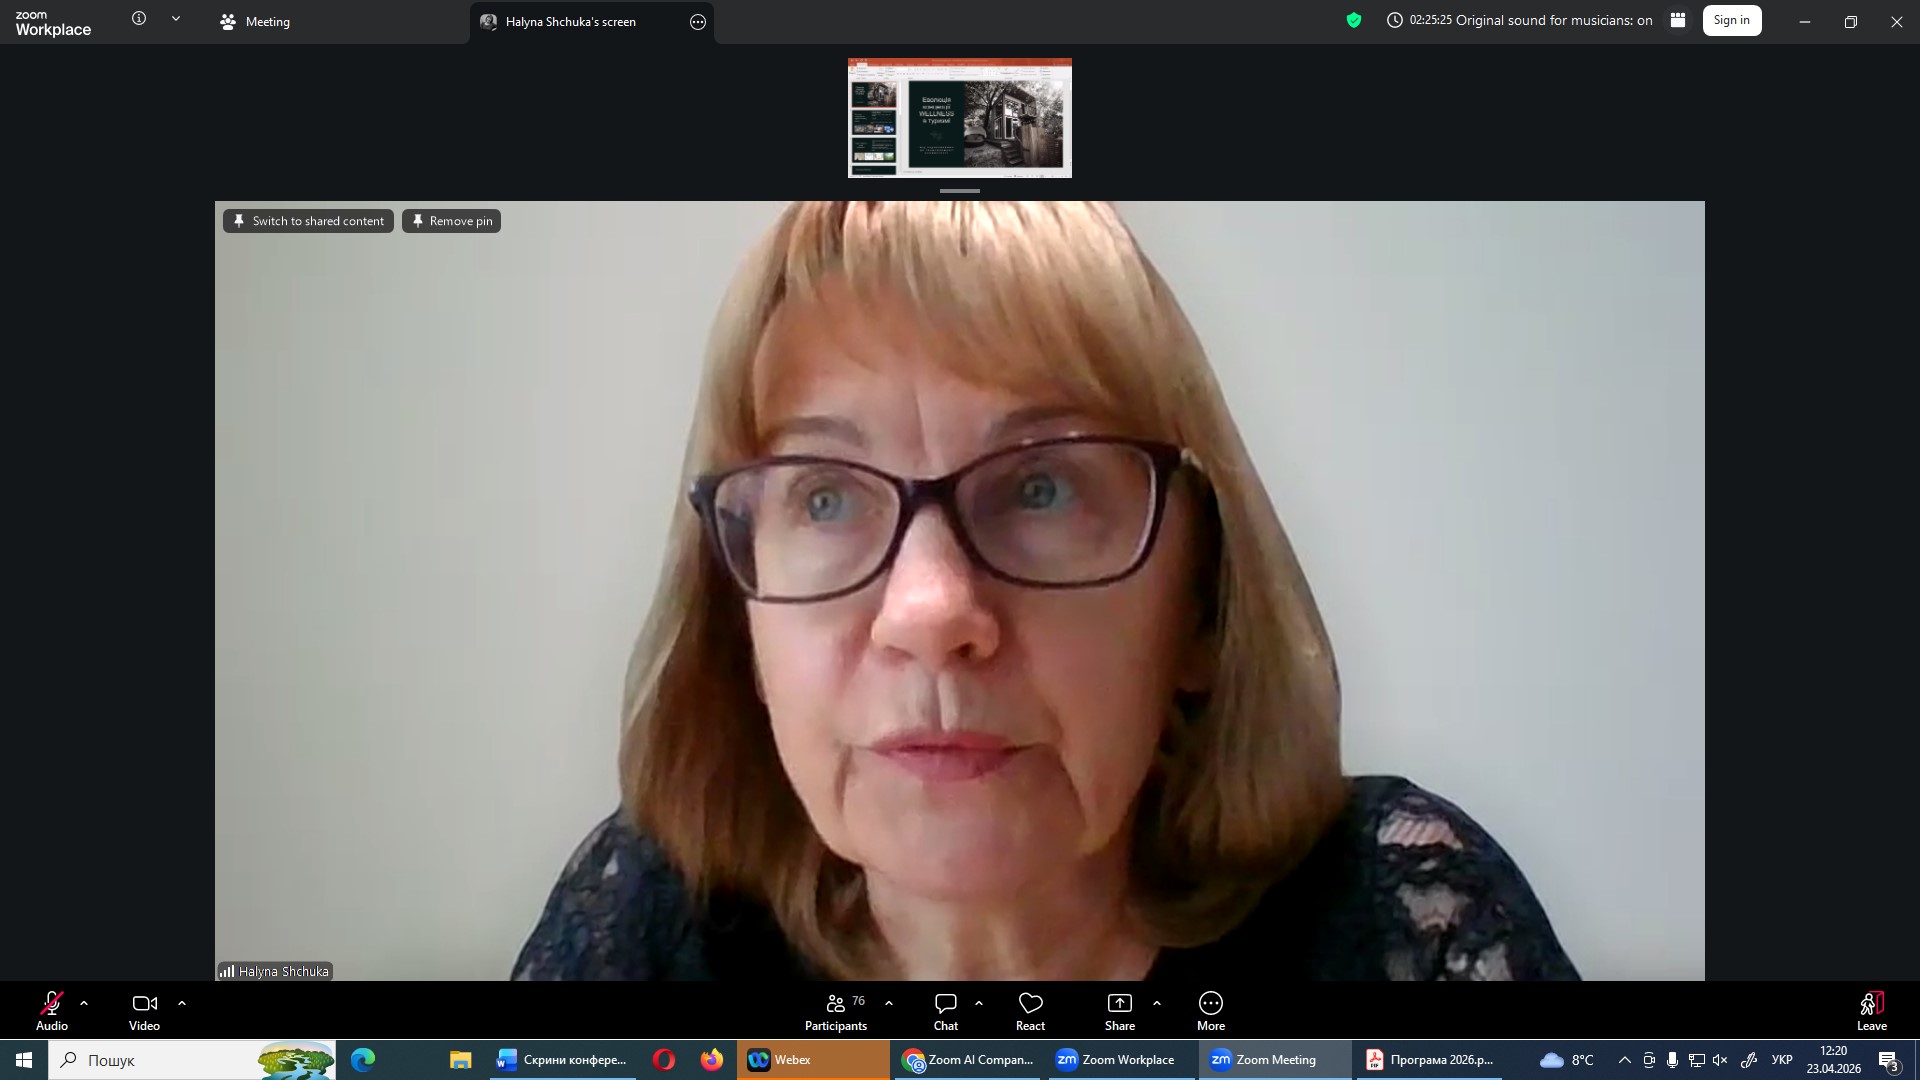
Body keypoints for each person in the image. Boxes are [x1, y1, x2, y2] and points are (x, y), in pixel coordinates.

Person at [513, 201, 1580, 981]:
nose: (930, 614)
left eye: (1040, 488)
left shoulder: (1403, 930)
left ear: (1200, 603)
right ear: (741, 617)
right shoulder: (649, 929)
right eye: (825, 498)